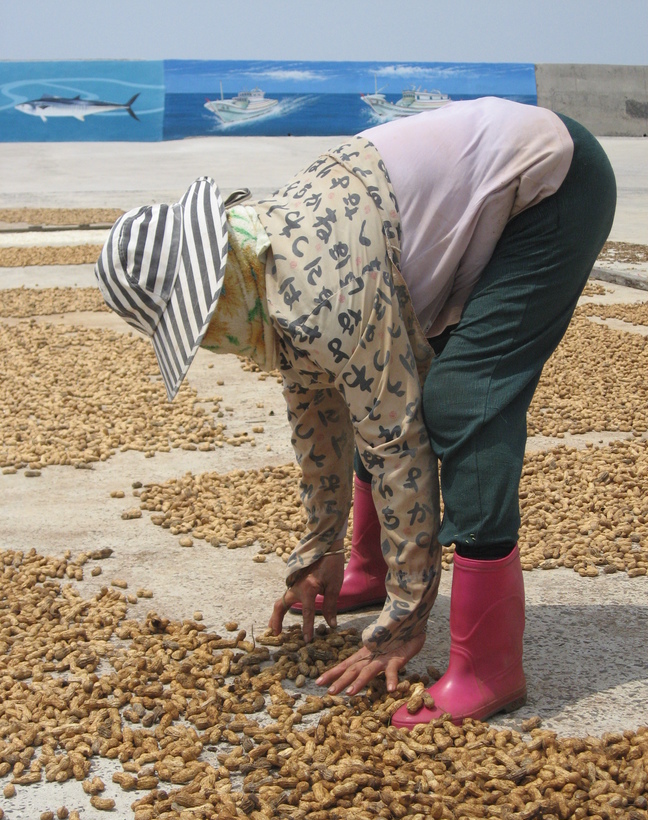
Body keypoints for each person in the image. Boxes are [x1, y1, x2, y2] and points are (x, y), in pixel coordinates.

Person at [95, 97, 616, 727]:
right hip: (490, 199)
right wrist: (319, 550)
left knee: (462, 401)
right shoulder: (270, 261)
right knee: (374, 386)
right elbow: (318, 409)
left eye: (202, 327)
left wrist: (405, 617)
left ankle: (489, 664)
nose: (212, 342)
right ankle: (367, 569)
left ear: (219, 286)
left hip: (551, 187)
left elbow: (395, 440)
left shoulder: (313, 286)